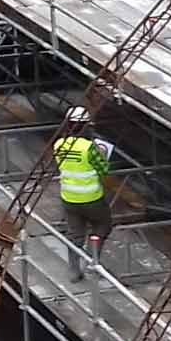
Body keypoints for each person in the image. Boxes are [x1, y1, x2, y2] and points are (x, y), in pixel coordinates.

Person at [53, 106, 116, 280]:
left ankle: (74, 270)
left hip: (69, 198)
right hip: (92, 199)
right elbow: (103, 169)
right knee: (103, 226)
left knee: (75, 234)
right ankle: (92, 262)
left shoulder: (58, 144)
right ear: (86, 126)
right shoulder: (89, 148)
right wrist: (102, 153)